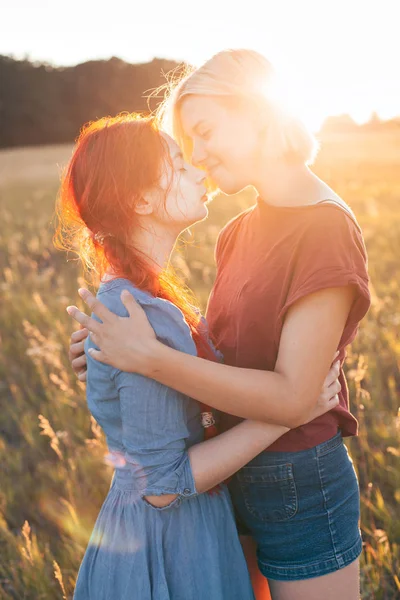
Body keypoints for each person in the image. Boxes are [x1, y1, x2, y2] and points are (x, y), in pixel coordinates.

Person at [67, 49, 370, 600]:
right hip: (231, 486)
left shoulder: (323, 229)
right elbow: (225, 351)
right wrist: (117, 352)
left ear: (259, 114)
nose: (198, 157)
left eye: (205, 132)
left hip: (299, 484)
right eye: (187, 145)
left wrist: (151, 357)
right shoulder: (238, 232)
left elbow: (293, 397)